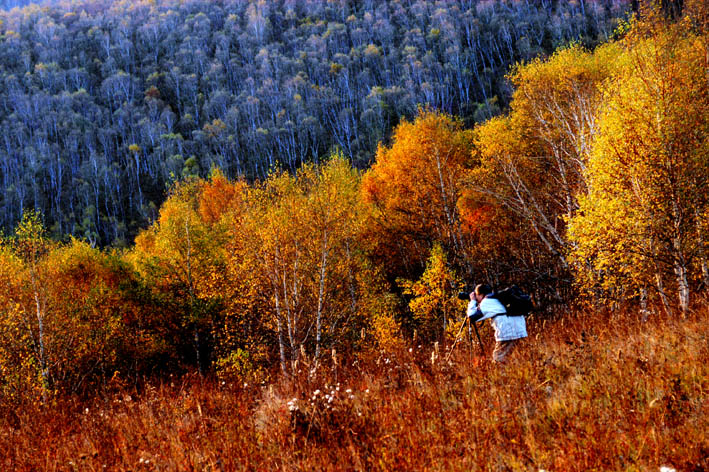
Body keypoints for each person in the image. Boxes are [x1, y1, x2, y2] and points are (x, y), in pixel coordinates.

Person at [467, 283, 527, 363]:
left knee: (498, 358)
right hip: (521, 331)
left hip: (508, 333)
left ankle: (503, 375)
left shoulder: (486, 302)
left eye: (476, 296)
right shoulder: (498, 298)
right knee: (519, 358)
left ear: (481, 295)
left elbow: (472, 317)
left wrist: (472, 301)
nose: (476, 298)